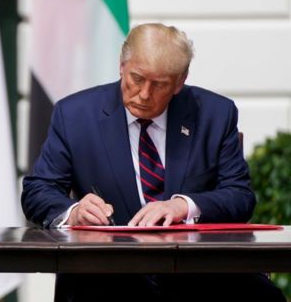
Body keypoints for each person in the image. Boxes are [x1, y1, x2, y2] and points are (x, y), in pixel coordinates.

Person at [21, 23, 284, 302]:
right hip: (108, 275)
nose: (144, 94)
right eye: (137, 78)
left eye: (159, 85)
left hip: (198, 272)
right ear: (122, 67)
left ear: (180, 82)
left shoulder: (214, 114)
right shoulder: (75, 115)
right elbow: (38, 190)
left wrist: (183, 206)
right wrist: (73, 212)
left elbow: (240, 197)